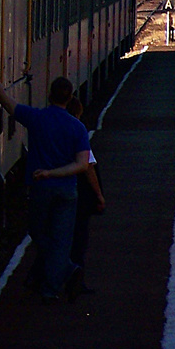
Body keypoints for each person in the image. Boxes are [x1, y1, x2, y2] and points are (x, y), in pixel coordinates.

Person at [0, 53, 90, 300]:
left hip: (41, 187)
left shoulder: (37, 118)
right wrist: (58, 172)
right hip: (67, 191)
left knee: (39, 234)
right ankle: (55, 284)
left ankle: (64, 274)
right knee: (61, 240)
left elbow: (5, 100)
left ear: (50, 95)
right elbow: (82, 165)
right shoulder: (78, 128)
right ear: (70, 97)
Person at [66, 96, 106, 299]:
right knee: (79, 241)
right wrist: (99, 196)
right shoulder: (78, 131)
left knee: (59, 238)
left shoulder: (54, 130)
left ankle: (49, 280)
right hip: (78, 197)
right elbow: (88, 167)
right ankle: (76, 281)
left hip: (56, 191)